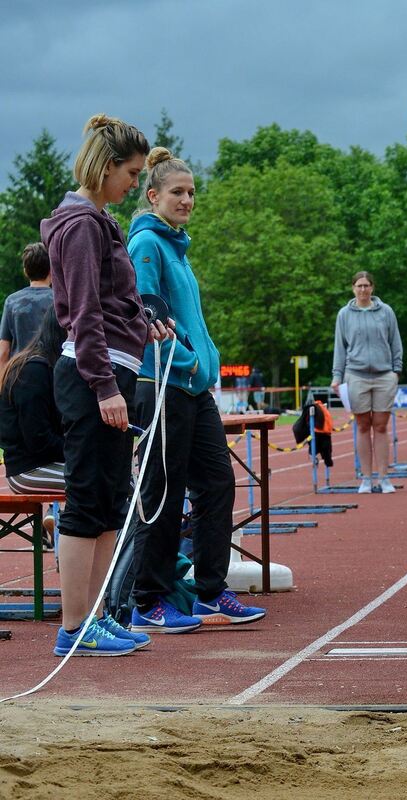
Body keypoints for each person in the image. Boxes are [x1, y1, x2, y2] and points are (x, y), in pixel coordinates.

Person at [40, 114, 168, 657]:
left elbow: (110, 303)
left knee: (113, 499)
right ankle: (74, 627)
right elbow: (83, 314)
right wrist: (104, 387)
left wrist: (144, 321)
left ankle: (95, 616)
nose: (135, 183)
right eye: (132, 173)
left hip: (114, 367)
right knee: (87, 502)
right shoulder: (83, 225)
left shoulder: (99, 220)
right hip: (93, 376)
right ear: (106, 166)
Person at [126, 147, 265, 633]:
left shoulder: (178, 248)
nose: (187, 200)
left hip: (193, 385)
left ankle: (209, 589)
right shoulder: (146, 243)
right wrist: (184, 357)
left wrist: (206, 361)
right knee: (161, 493)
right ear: (153, 195)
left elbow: (188, 318)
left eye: (191, 192)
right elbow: (143, 312)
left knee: (217, 483)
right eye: (177, 192)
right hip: (162, 380)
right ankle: (149, 597)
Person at [331, 271, 403, 494]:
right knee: (362, 426)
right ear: (353, 288)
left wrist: (396, 371)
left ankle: (383, 477)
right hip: (356, 374)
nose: (363, 289)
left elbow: (395, 342)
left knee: (380, 426)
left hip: (383, 375)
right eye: (359, 286)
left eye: (366, 285)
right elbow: (340, 348)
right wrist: (337, 375)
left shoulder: (386, 311)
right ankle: (366, 478)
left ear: (372, 288)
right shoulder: (344, 314)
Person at [0, 308, 67, 546]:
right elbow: (38, 439)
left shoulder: (42, 366)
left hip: (37, 463)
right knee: (99, 482)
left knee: (110, 480)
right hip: (27, 470)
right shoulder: (34, 370)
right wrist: (79, 450)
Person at [0, 243, 54, 367]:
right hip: (51, 376)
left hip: (19, 374)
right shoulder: (60, 301)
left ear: (25, 271)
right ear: (51, 269)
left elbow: (3, 352)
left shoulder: (11, 301)